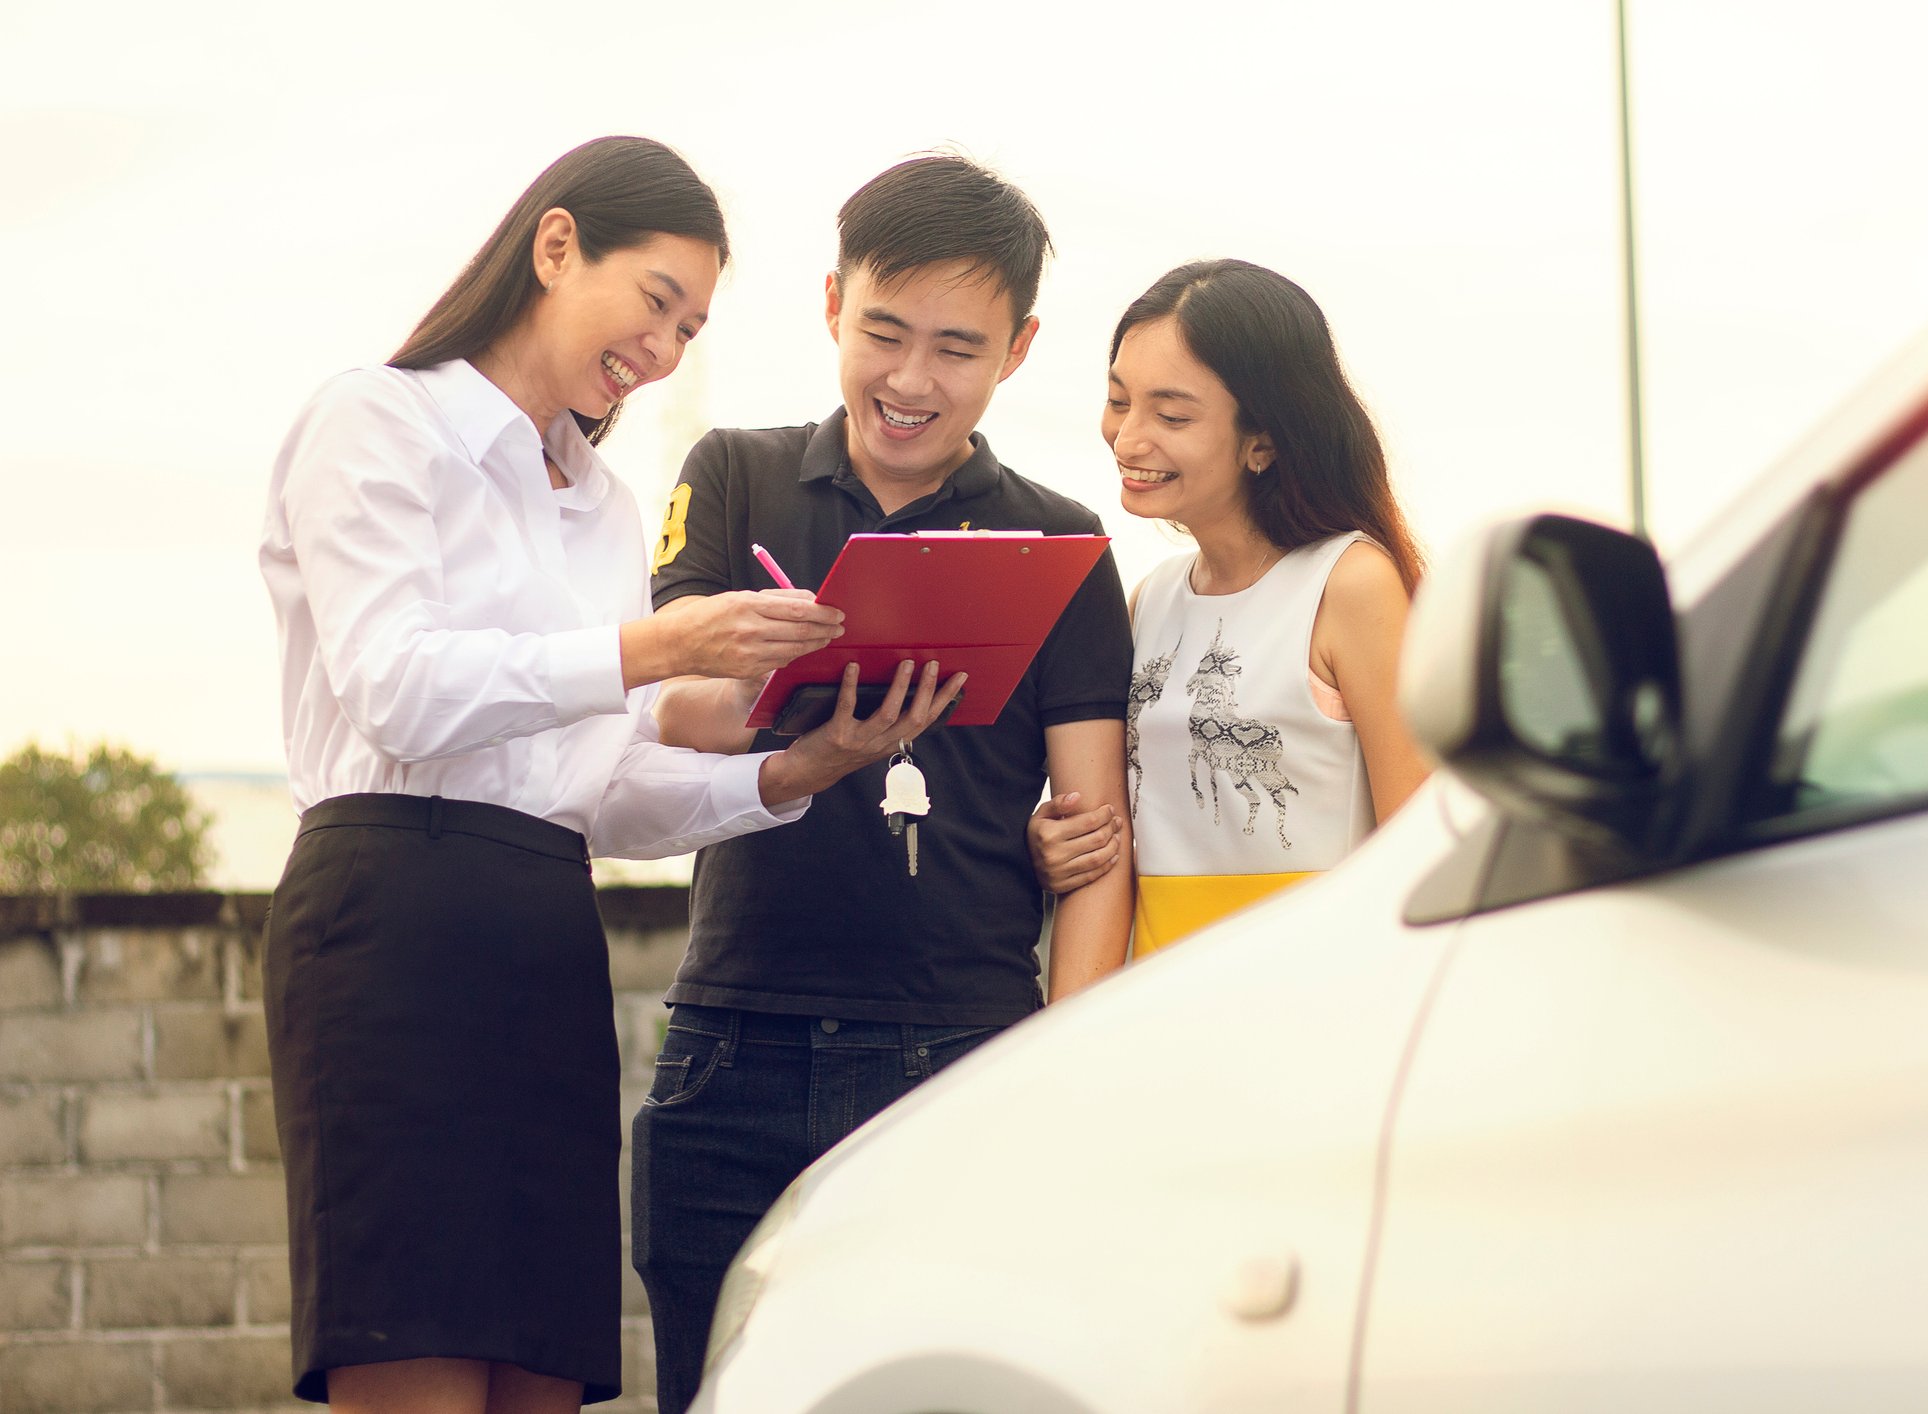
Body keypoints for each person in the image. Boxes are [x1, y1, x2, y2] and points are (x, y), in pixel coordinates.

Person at [257, 137, 953, 1414]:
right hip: (389, 923)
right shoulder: (379, 418)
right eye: (655, 301)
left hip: (542, 928)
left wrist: (800, 766)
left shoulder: (603, 501)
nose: (665, 349)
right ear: (557, 244)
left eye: (690, 326)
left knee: (541, 1379)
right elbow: (399, 690)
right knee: (414, 1359)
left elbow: (604, 785)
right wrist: (657, 644)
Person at [633, 153, 1135, 1412]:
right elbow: (662, 710)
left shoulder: (1064, 543)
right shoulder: (730, 474)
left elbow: (1095, 832)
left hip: (959, 1048)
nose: (911, 381)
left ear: (1016, 350)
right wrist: (782, 668)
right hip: (729, 1041)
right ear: (829, 306)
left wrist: (1056, 1070)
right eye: (883, 333)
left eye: (956, 349)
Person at [1030, 259, 1427, 955]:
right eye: (1119, 400)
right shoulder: (1151, 599)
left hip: (1311, 1006)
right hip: (1162, 1009)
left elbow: (1420, 846)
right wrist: (1049, 842)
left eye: (1171, 414)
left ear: (1263, 439)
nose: (1127, 439)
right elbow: (1130, 828)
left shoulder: (1351, 584)